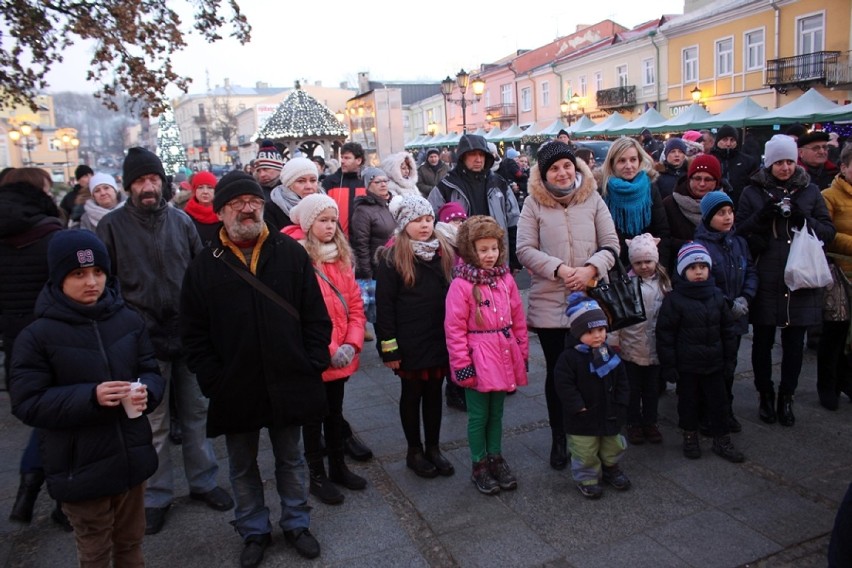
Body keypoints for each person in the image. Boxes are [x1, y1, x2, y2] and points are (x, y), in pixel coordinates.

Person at [181, 171, 332, 565]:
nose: (247, 209)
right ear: (221, 213)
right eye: (236, 204)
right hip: (235, 383)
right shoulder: (203, 266)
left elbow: (316, 315)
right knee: (243, 464)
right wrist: (213, 379)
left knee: (291, 457)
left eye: (254, 202)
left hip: (288, 376)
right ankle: (253, 529)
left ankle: (297, 522)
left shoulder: (290, 252)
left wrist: (313, 360)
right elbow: (193, 332)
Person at [97, 147, 232, 535]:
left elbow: (200, 272)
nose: (147, 186)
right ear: (129, 186)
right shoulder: (111, 226)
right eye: (139, 181)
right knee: (152, 422)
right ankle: (156, 495)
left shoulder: (181, 221)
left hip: (187, 334)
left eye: (152, 179)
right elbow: (105, 284)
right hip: (142, 340)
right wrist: (123, 324)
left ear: (163, 181)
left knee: (196, 414)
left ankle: (204, 481)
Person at [9, 230, 165, 567]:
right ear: (58, 277)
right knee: (95, 551)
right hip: (80, 467)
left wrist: (148, 391)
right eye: (78, 274)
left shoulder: (127, 320)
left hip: (131, 458)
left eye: (98, 272)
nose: (91, 282)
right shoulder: (37, 336)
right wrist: (90, 397)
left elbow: (150, 369)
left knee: (130, 543)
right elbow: (27, 402)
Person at [516, 141, 619, 471]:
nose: (562, 173)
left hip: (589, 302)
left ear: (576, 167)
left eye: (566, 166)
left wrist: (590, 269)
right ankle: (559, 436)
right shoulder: (533, 204)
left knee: (594, 370)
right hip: (551, 303)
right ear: (543, 174)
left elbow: (611, 244)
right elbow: (524, 249)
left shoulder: (592, 198)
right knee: (559, 375)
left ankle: (593, 434)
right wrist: (560, 269)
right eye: (554, 169)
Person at [737, 134, 836, 427]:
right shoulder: (752, 191)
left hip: (800, 278)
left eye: (789, 161)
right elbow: (739, 231)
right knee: (762, 342)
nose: (785, 168)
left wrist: (803, 219)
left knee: (794, 344)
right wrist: (762, 219)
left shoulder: (810, 191)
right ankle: (765, 394)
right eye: (779, 162)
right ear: (769, 163)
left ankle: (787, 397)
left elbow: (827, 232)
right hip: (767, 276)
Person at [282, 193, 368, 506]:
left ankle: (338, 467)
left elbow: (355, 304)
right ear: (308, 223)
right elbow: (301, 313)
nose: (330, 226)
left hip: (342, 351)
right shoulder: (296, 259)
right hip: (315, 354)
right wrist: (329, 347)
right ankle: (316, 474)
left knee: (335, 414)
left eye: (333, 220)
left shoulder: (340, 256)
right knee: (312, 418)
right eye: (323, 220)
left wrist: (352, 342)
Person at [445, 215, 528, 494]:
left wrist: (522, 353)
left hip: (503, 351)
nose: (490, 255)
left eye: (494, 248)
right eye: (483, 249)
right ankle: (479, 463)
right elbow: (454, 329)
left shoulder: (505, 279)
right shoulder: (462, 285)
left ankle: (496, 456)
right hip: (478, 355)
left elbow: (517, 317)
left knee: (497, 412)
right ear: (471, 251)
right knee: (479, 414)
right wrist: (462, 366)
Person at [374, 194, 456, 479]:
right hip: (409, 341)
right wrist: (390, 349)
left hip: (438, 337)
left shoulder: (443, 250)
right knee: (412, 396)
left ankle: (433, 447)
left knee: (435, 394)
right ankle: (414, 450)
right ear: (403, 224)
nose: (424, 225)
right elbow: (384, 308)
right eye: (417, 220)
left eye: (428, 219)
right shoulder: (392, 257)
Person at [0, 170, 65, 527]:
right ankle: (60, 499)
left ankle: (28, 489)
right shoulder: (51, 235)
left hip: (16, 341)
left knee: (43, 418)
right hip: (57, 339)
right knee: (64, 421)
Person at [657, 243, 744, 462]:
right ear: (683, 271)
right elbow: (665, 335)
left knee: (719, 403)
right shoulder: (675, 300)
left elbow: (728, 331)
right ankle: (690, 436)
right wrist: (669, 366)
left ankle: (722, 440)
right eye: (692, 267)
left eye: (702, 266)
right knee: (688, 403)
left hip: (714, 363)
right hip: (688, 366)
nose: (698, 271)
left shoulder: (717, 297)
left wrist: (729, 359)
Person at [554, 293, 630, 499]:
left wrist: (622, 402)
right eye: (590, 331)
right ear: (577, 332)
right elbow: (564, 385)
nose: (597, 335)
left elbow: (622, 379)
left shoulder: (608, 353)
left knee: (613, 444)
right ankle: (587, 478)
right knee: (584, 450)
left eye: (601, 330)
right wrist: (577, 406)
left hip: (609, 412)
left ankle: (610, 467)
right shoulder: (569, 358)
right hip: (582, 417)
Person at [694, 191, 758, 432]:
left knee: (730, 366)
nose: (728, 217)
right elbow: (703, 281)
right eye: (721, 213)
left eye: (730, 212)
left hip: (737, 316)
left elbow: (750, 270)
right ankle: (708, 412)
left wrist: (746, 297)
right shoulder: (701, 245)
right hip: (714, 317)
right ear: (709, 216)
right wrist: (728, 304)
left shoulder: (738, 242)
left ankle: (725, 410)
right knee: (712, 367)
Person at [428, 134, 520, 268]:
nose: (478, 159)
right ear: (463, 156)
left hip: (495, 257)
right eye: (473, 154)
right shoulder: (447, 186)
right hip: (460, 261)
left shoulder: (499, 184)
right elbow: (430, 220)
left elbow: (513, 221)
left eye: (482, 155)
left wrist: (514, 260)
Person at [616, 233, 671, 446]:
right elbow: (618, 316)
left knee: (652, 390)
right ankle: (633, 422)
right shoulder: (627, 284)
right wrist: (614, 340)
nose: (644, 266)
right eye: (638, 262)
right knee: (632, 389)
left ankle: (650, 422)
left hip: (655, 346)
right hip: (631, 346)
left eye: (648, 261)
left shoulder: (664, 283)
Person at [601, 136, 670, 269]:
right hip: (616, 269)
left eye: (633, 159)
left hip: (649, 268)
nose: (629, 166)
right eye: (622, 161)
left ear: (639, 161)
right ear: (612, 163)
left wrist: (659, 268)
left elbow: (662, 232)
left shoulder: (650, 188)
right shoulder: (603, 192)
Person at [818, 142, 852, 410]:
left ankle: (847, 381)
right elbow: (825, 232)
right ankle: (828, 385)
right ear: (843, 167)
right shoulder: (829, 195)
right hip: (838, 270)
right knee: (836, 330)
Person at [662, 154, 726, 272]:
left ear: (716, 182)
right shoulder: (669, 204)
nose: (702, 184)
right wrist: (689, 245)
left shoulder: (724, 204)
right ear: (689, 178)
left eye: (708, 179)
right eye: (697, 178)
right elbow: (663, 239)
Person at [351, 167, 395, 327]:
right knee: (382, 316)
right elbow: (360, 244)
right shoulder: (363, 210)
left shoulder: (392, 204)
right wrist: (367, 274)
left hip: (395, 265)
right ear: (368, 186)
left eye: (385, 181)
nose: (383, 184)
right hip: (377, 270)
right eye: (377, 182)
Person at [322, 141, 367, 237]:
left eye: (347, 158)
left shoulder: (367, 182)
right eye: (341, 157)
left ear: (358, 160)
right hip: (336, 240)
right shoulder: (330, 182)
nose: (342, 161)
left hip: (363, 242)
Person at [709, 124, 759, 206]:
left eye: (732, 140)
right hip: (714, 204)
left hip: (741, 206)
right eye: (725, 139)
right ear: (718, 141)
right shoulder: (709, 159)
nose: (728, 143)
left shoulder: (748, 161)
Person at [265, 156, 318, 231]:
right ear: (288, 184)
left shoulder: (325, 205)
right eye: (301, 181)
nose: (309, 186)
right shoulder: (271, 210)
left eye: (313, 180)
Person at [182, 171, 219, 245]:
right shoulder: (185, 216)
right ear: (194, 190)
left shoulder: (223, 213)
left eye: (210, 187)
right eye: (200, 187)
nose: (205, 192)